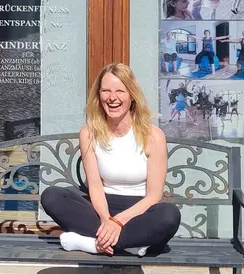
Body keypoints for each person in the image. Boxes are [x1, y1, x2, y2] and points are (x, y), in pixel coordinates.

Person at [40, 63, 181, 257]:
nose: (112, 98)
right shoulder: (89, 133)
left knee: (169, 216)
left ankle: (90, 244)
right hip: (101, 210)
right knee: (52, 196)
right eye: (106, 91)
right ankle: (131, 246)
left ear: (132, 95)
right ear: (99, 96)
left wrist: (118, 222)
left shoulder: (153, 136)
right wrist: (107, 220)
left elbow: (153, 196)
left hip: (138, 212)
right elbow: (95, 187)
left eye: (120, 91)